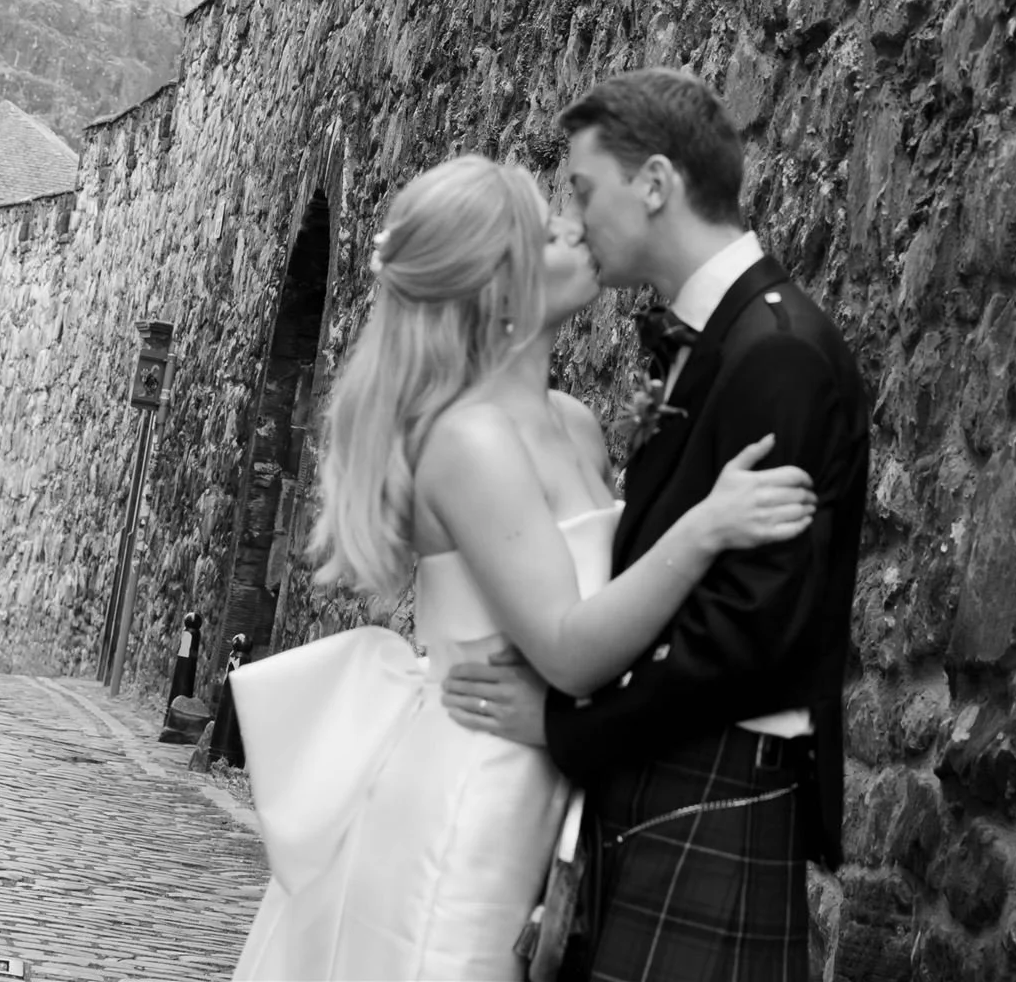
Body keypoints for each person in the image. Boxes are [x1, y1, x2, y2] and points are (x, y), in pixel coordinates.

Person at [230, 151, 817, 982]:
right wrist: (706, 528)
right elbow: (569, 648)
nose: (577, 230)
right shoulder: (468, 440)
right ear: (497, 290)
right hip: (476, 793)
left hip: (554, 786)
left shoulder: (573, 424)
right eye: (548, 232)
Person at [442, 70, 870, 982]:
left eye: (584, 190)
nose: (573, 216)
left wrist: (565, 729)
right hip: (667, 783)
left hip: (717, 783)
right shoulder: (719, 341)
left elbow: (744, 636)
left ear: (655, 184)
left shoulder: (779, 353)